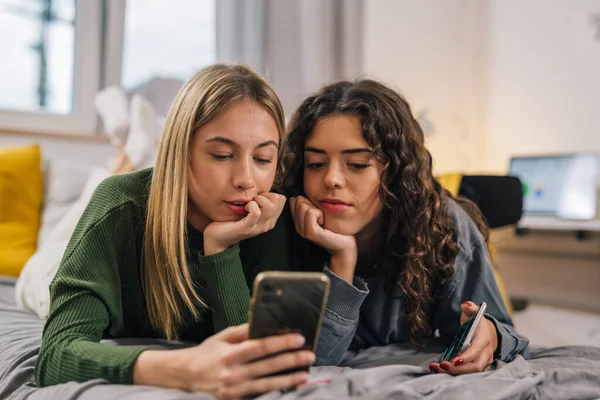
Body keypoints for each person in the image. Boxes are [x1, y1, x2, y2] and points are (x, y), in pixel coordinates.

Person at [36, 64, 315, 398]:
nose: (246, 179)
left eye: (263, 158)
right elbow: (56, 356)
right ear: (180, 151)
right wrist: (185, 369)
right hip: (43, 275)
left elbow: (249, 358)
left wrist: (221, 248)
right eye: (222, 155)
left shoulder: (268, 213)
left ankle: (129, 148)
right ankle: (127, 151)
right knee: (50, 254)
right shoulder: (117, 208)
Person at [283, 79, 529, 375]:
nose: (331, 179)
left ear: (396, 172)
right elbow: (312, 362)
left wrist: (489, 335)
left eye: (358, 164)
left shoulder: (440, 225)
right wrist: (342, 260)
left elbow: (508, 335)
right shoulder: (283, 226)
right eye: (315, 163)